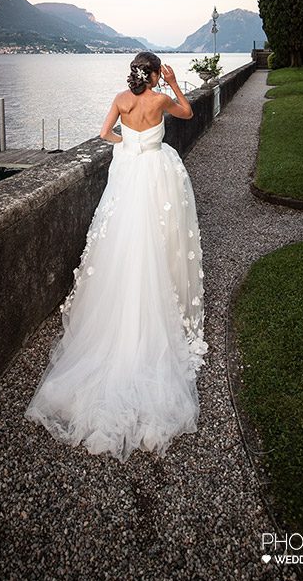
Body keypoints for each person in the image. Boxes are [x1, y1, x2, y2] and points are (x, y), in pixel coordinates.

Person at [24, 51, 208, 461]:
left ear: (133, 73)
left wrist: (130, 143)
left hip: (129, 179)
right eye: (159, 72)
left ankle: (121, 310)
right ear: (155, 73)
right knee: (161, 238)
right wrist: (174, 83)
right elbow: (189, 112)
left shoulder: (122, 99)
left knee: (124, 241)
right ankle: (161, 299)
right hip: (158, 175)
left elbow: (104, 133)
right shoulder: (160, 99)